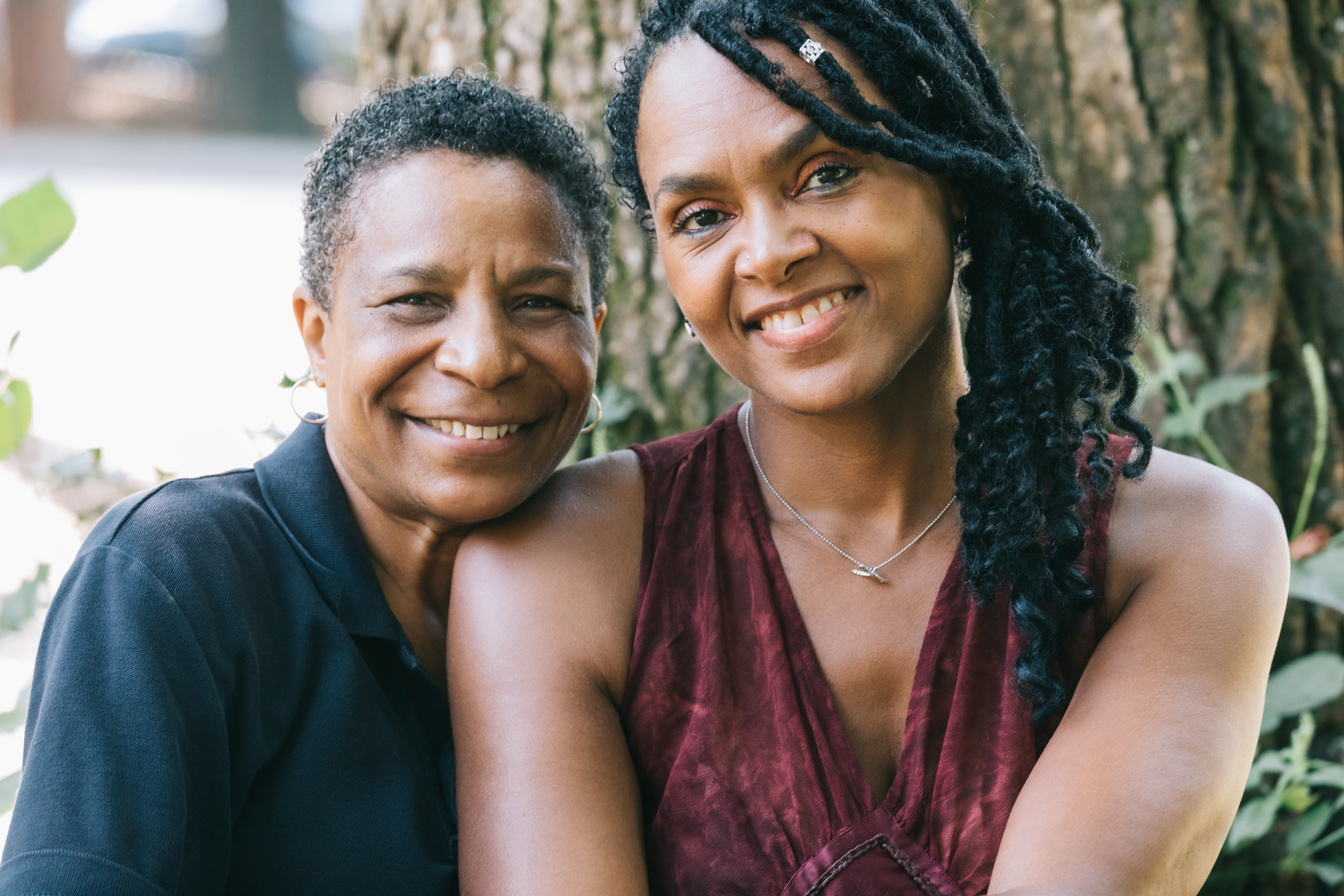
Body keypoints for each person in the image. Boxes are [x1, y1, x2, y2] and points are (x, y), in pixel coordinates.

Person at [448, 2, 1290, 893]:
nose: (767, 253)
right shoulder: (566, 567)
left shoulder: (1184, 547)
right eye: (702, 216)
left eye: (825, 171)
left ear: (954, 174)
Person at [0, 73, 608, 894]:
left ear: (594, 332)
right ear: (318, 337)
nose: (484, 356)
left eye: (537, 302)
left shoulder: (622, 585)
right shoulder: (173, 580)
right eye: (417, 300)